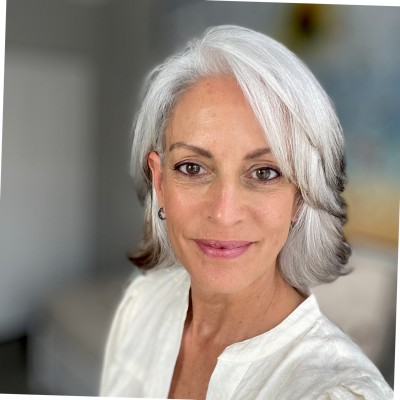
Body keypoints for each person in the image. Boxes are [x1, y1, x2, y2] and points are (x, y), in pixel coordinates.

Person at [100, 25, 393, 399]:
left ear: (300, 196)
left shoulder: (334, 391)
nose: (224, 213)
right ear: (159, 182)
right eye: (192, 168)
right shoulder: (140, 306)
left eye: (264, 173)